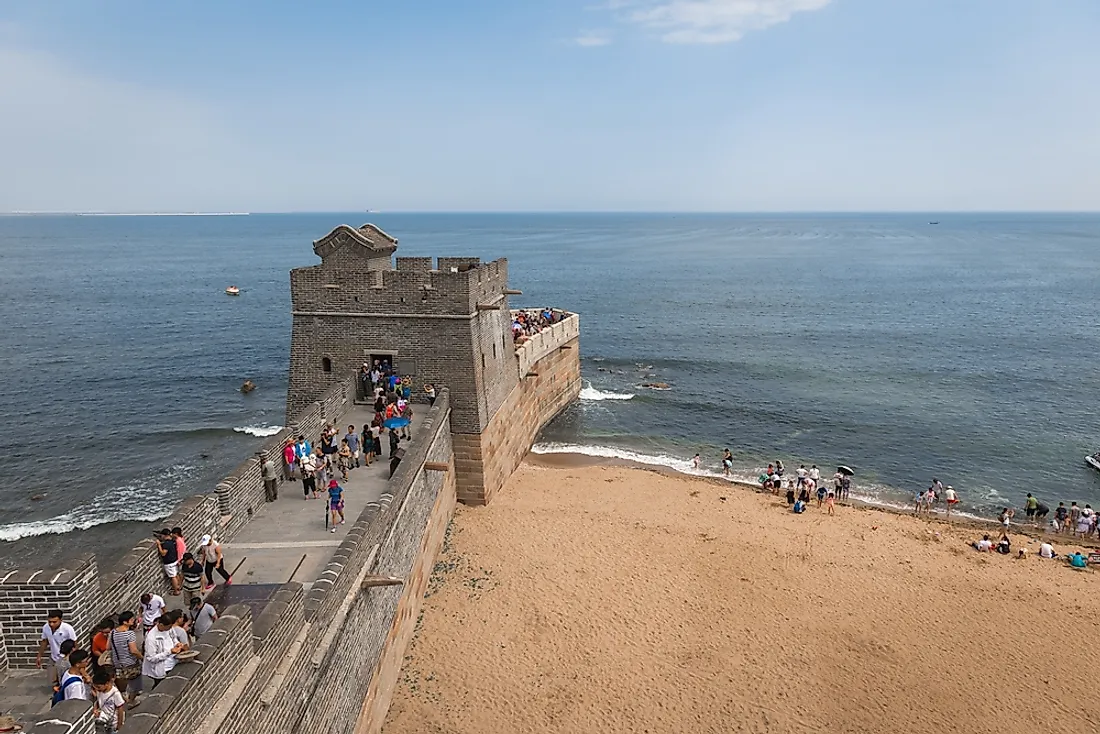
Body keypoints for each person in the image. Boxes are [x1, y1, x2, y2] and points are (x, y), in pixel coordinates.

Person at [108, 612, 143, 706]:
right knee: (136, 683)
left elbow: (108, 647)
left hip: (117, 662)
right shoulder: (129, 634)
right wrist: (142, 657)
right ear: (125, 622)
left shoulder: (112, 632)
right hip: (130, 662)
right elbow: (133, 650)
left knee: (122, 682)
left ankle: (124, 697)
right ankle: (131, 701)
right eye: (131, 620)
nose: (133, 621)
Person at [142, 616, 183, 689]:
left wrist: (177, 643)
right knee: (161, 687)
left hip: (173, 662)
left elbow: (173, 638)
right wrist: (169, 652)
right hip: (162, 667)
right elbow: (151, 658)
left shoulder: (169, 629)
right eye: (168, 627)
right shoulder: (151, 638)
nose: (170, 628)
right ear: (161, 625)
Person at [38, 609, 77, 683]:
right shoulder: (46, 627)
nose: (51, 624)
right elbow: (44, 641)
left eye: (54, 622)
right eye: (50, 622)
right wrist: (39, 656)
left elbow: (74, 644)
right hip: (54, 657)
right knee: (52, 679)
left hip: (65, 658)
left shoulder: (68, 629)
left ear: (60, 620)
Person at [156, 529, 181, 596]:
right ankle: (179, 586)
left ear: (164, 535)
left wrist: (159, 545)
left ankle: (176, 591)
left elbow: (163, 553)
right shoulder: (173, 541)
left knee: (173, 577)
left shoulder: (166, 544)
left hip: (169, 563)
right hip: (175, 560)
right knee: (176, 574)